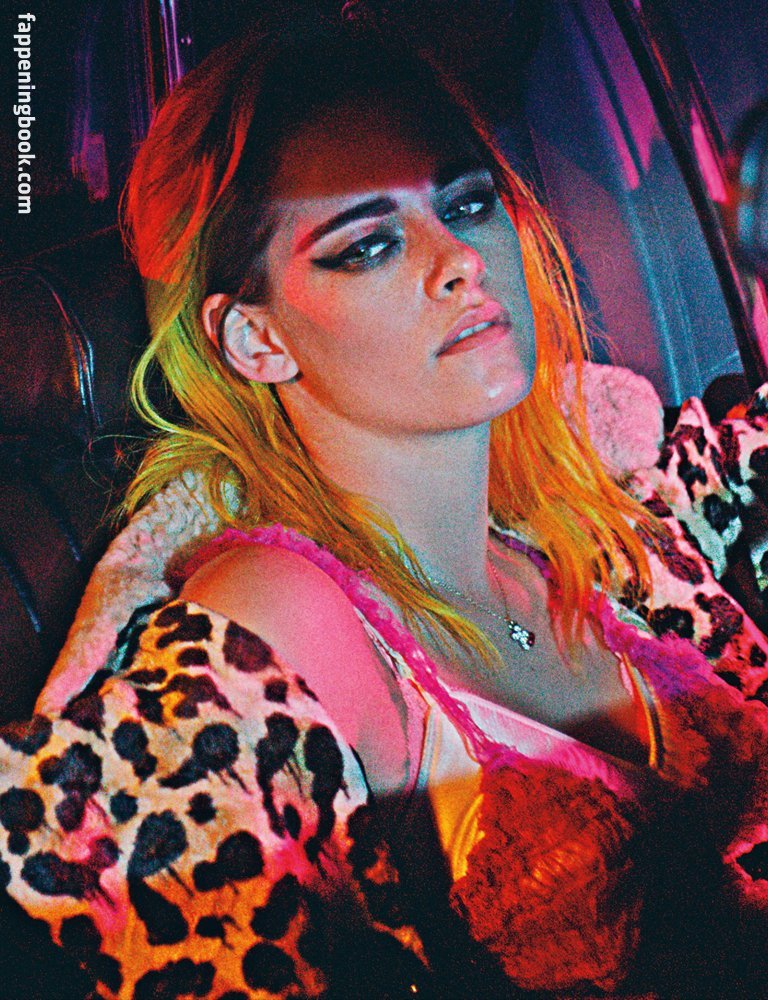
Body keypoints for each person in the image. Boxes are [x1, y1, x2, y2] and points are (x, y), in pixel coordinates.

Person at [4, 10, 768, 998]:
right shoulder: (279, 608)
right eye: (367, 244)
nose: (460, 260)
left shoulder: (601, 528)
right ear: (255, 340)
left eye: (467, 201)